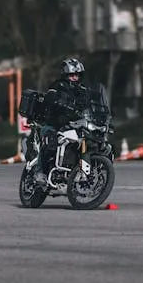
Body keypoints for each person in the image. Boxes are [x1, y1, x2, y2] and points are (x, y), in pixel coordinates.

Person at [34, 57, 90, 189]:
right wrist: (55, 101)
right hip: (54, 123)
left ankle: (76, 171)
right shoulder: (57, 86)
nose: (75, 77)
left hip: (73, 125)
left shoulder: (83, 91)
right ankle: (39, 172)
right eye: (72, 75)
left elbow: (89, 105)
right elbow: (49, 98)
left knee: (87, 140)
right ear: (65, 75)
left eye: (77, 75)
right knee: (50, 141)